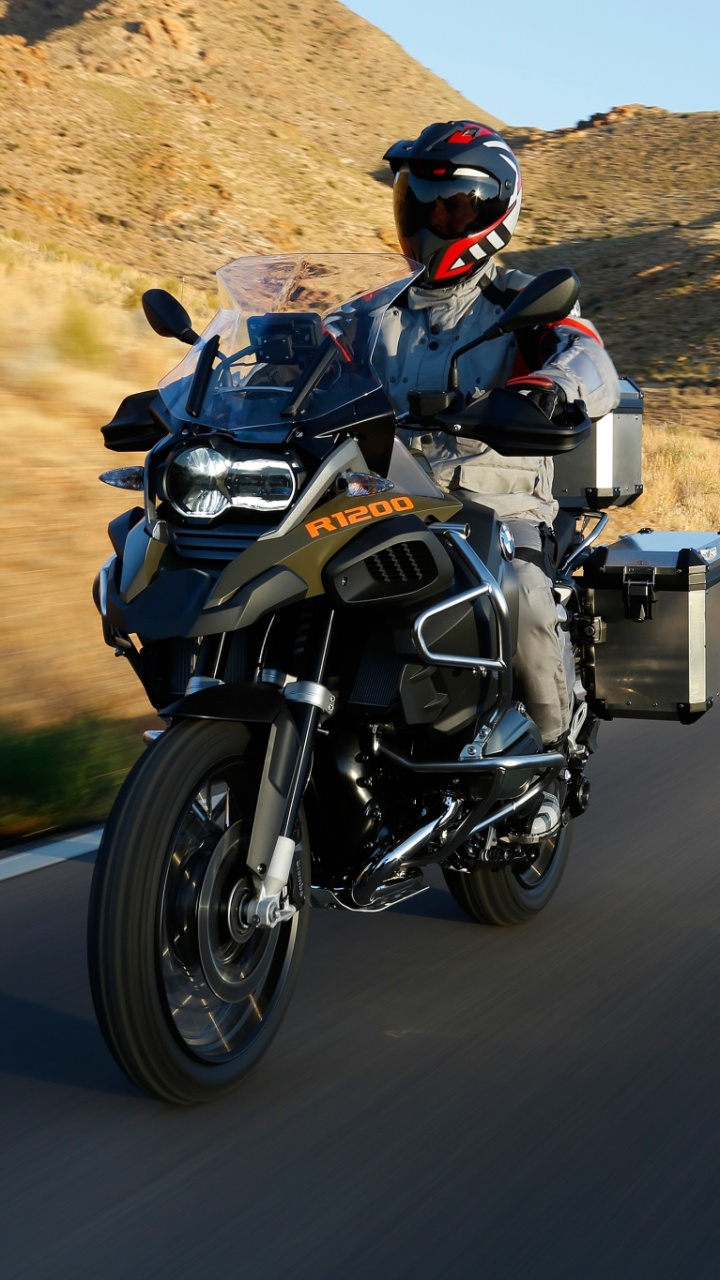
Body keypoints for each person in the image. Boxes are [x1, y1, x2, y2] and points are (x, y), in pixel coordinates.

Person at [374, 120, 620, 784]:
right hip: (384, 501)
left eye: (450, 206)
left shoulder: (522, 302)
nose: (432, 219)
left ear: (491, 211)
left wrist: (550, 389)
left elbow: (589, 358)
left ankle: (552, 752)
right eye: (420, 204)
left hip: (494, 503)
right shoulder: (374, 312)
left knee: (521, 594)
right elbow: (312, 365)